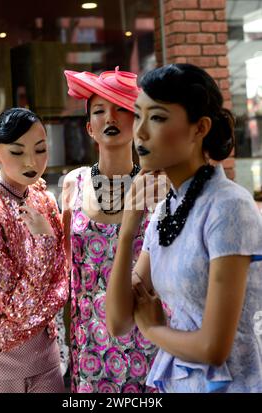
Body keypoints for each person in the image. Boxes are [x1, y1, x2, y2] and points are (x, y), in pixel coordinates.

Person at [106, 63, 262, 393]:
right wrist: (128, 227)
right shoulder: (166, 211)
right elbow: (119, 322)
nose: (141, 132)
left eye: (158, 117)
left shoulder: (228, 207)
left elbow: (213, 348)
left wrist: (151, 330)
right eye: (138, 115)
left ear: (199, 128)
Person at [62, 67, 158, 393]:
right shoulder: (72, 185)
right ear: (89, 128)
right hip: (87, 341)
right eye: (100, 111)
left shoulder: (155, 188)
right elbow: (67, 271)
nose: (110, 117)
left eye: (120, 108)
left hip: (144, 338)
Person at [0, 108, 69, 393]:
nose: (32, 161)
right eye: (17, 152)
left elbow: (62, 286)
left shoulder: (45, 200)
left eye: (41, 149)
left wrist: (0, 334)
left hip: (40, 352)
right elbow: (17, 306)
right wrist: (45, 243)